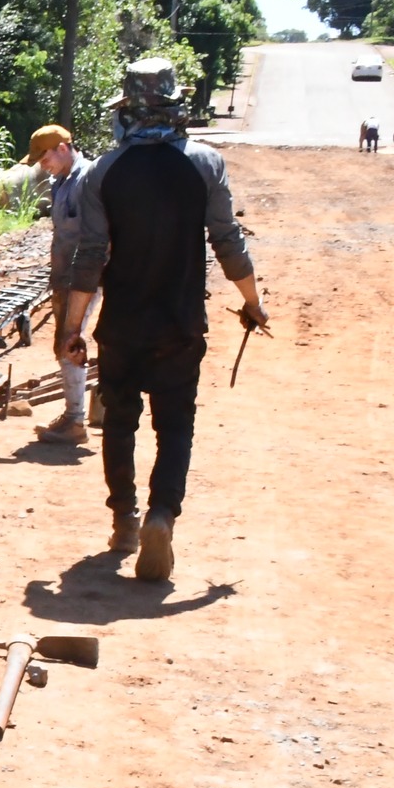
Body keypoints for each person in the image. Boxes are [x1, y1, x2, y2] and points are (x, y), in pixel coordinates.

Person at [61, 57, 266, 582]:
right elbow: (227, 241)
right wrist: (252, 301)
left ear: (127, 108)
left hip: (122, 325)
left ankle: (125, 521)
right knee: (176, 426)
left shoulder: (104, 171)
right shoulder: (205, 163)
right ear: (178, 105)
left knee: (120, 422)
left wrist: (72, 328)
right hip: (179, 325)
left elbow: (90, 255)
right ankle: (162, 515)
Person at [25, 124, 93, 444]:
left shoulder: (87, 181)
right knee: (64, 339)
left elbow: (96, 237)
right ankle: (78, 414)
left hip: (84, 277)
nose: (43, 165)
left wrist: (82, 281)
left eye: (45, 157)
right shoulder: (61, 181)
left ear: (63, 149)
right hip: (66, 275)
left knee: (70, 339)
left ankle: (75, 421)